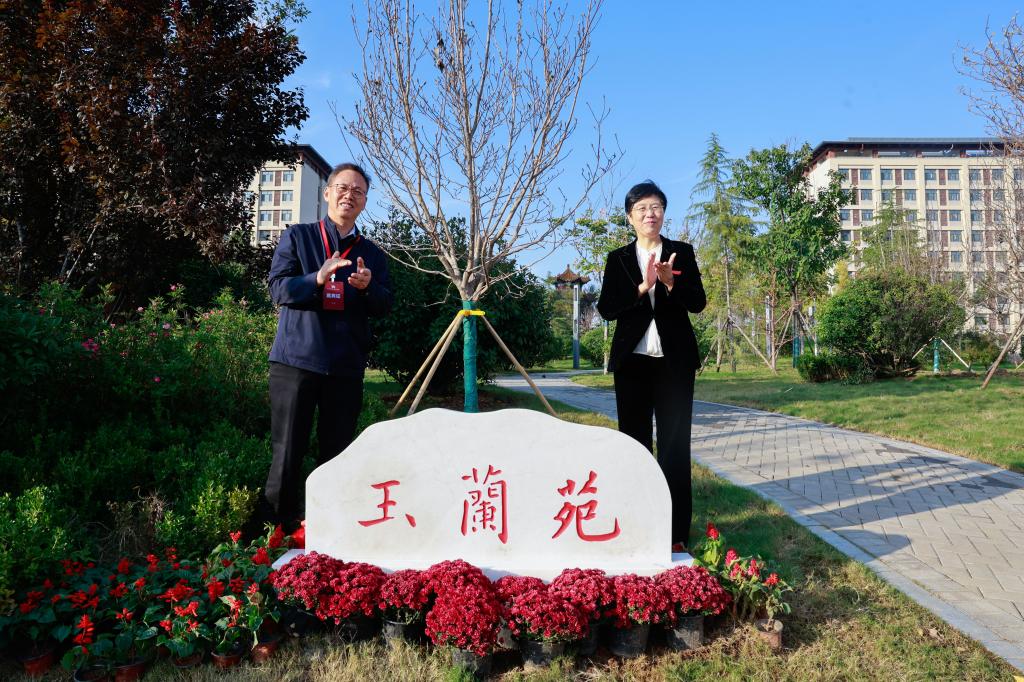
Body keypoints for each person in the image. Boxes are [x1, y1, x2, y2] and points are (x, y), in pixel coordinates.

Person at [262, 162, 393, 532]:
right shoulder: (298, 237)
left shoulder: (372, 254)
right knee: (287, 451)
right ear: (327, 193)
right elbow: (278, 289)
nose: (349, 195)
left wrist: (368, 288)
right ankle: (275, 534)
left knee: (337, 454)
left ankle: (330, 531)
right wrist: (316, 278)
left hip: (345, 367)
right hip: (296, 362)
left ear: (364, 202)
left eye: (358, 191)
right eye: (343, 188)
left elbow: (385, 304)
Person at [596, 180, 706, 551]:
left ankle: (676, 536)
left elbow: (698, 303)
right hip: (633, 364)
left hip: (674, 364)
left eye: (656, 207)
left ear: (663, 213)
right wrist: (643, 288)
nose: (650, 214)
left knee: (674, 448)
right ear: (630, 217)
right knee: (635, 446)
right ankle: (636, 529)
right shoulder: (618, 259)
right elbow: (607, 308)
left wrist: (671, 284)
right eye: (642, 208)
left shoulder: (681, 252)